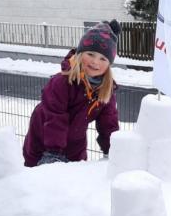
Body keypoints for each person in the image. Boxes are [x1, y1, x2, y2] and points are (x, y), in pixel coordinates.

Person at [23, 20, 121, 167]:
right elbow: (55, 118)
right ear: (80, 54)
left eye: (103, 58)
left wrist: (114, 151)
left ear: (109, 64)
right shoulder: (62, 82)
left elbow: (109, 123)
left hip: (75, 147)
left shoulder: (106, 89)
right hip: (43, 144)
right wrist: (53, 154)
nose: (95, 62)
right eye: (90, 54)